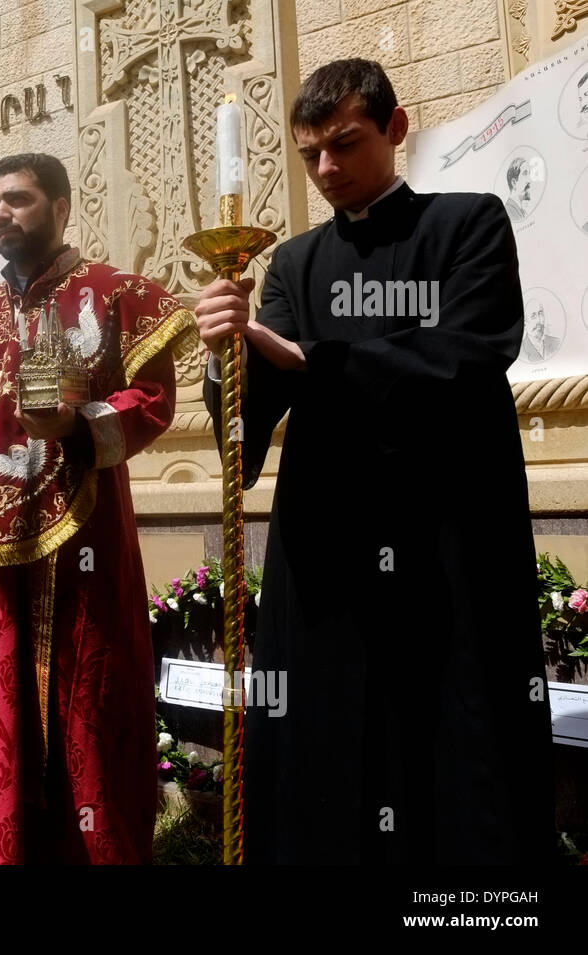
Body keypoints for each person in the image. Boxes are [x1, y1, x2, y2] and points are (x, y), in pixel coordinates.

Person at [195, 58, 554, 864]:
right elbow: (245, 434)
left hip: (447, 542)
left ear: (395, 129)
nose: (327, 169)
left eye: (346, 144)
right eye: (310, 154)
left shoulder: (469, 224)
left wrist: (313, 358)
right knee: (329, 747)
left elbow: (466, 355)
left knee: (457, 739)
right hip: (327, 557)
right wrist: (225, 355)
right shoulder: (291, 265)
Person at [0, 153, 197, 864]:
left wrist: (78, 422)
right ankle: (2, 839)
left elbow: (154, 401)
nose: (3, 213)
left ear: (62, 207)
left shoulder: (114, 293)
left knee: (84, 697)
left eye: (21, 199)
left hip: (81, 536)